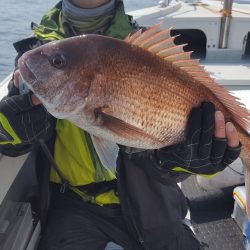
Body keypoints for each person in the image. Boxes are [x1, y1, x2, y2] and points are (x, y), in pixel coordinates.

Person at [0, 0, 241, 249]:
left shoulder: (143, 44)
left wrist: (185, 162)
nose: (52, 64)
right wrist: (10, 128)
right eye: (59, 63)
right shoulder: (39, 54)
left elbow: (171, 150)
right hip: (72, 206)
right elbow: (10, 141)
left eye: (58, 64)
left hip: (151, 200)